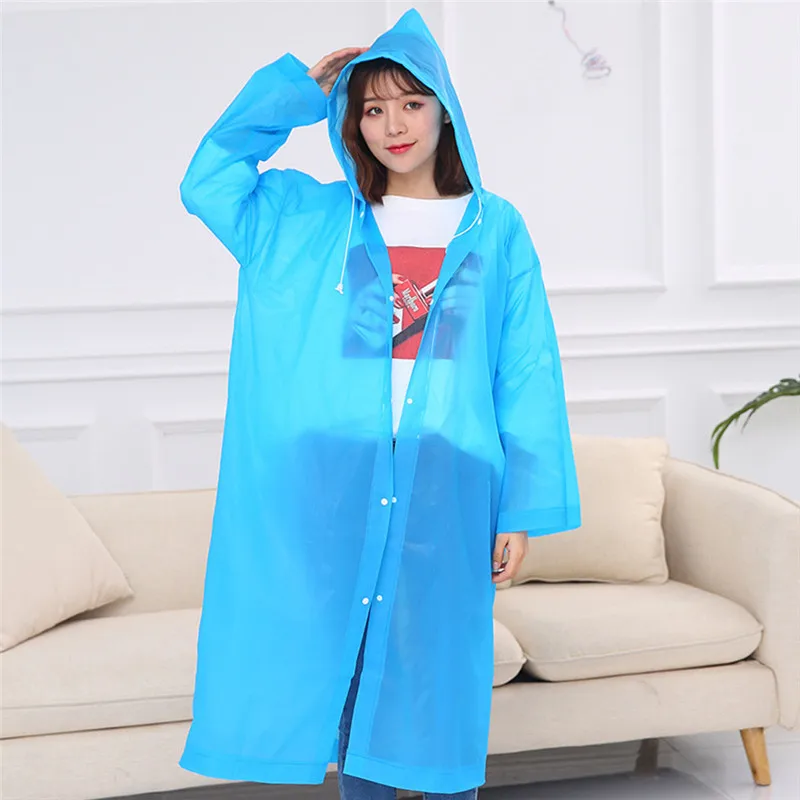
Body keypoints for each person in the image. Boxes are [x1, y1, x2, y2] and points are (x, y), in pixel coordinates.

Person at [177, 8, 581, 800]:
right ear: (352, 121)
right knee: (351, 675)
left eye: (411, 103)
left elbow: (525, 369)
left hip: (449, 483)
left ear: (445, 110)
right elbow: (209, 181)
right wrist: (298, 93)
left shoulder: (494, 226)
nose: (393, 125)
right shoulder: (309, 218)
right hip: (333, 479)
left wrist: (518, 507)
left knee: (439, 678)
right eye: (372, 108)